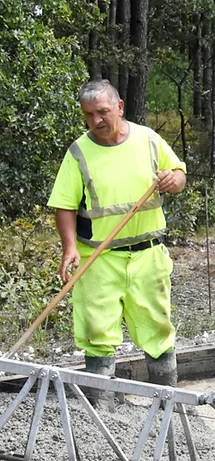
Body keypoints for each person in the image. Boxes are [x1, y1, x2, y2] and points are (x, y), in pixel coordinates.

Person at [48, 79, 187, 401]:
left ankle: (167, 401)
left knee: (156, 327)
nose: (96, 121)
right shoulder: (79, 152)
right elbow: (64, 204)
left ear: (120, 107)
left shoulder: (149, 140)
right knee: (96, 330)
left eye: (102, 112)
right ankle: (103, 407)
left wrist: (173, 179)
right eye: (88, 115)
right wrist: (69, 247)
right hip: (98, 258)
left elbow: (179, 175)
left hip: (148, 254)